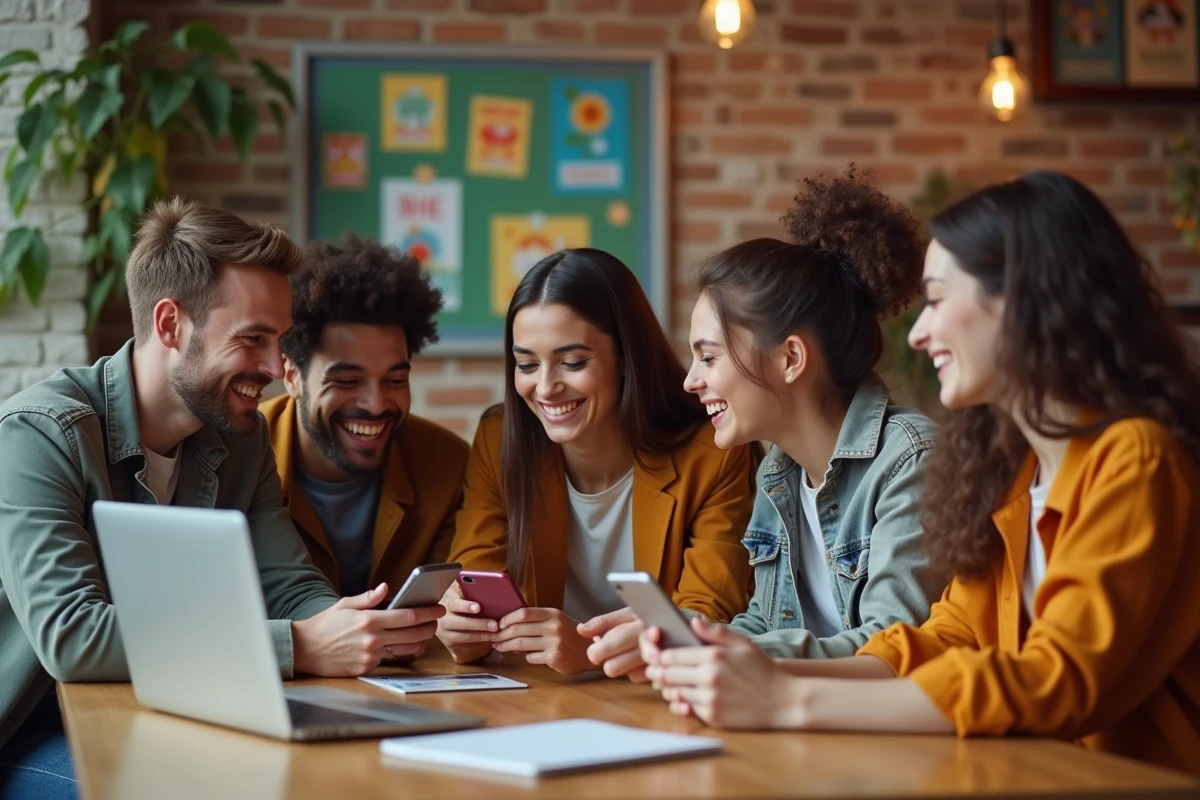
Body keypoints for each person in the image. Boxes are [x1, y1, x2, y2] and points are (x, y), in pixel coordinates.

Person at [641, 171, 1200, 776]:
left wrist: (788, 699)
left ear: (1024, 303)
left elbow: (1053, 678)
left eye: (937, 299)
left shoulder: (1136, 460)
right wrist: (749, 664)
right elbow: (945, 636)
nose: (918, 331)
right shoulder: (1009, 472)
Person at [0, 199, 443, 798]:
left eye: (280, 340)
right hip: (31, 727)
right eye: (253, 339)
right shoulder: (39, 435)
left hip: (168, 710)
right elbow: (73, 636)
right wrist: (301, 644)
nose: (272, 367)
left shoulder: (241, 438)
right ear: (169, 324)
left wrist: (359, 623)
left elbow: (288, 582)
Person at [663, 168, 942, 662]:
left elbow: (893, 646)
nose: (691, 381)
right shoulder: (779, 471)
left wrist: (727, 653)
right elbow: (765, 622)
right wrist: (680, 637)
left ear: (791, 359)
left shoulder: (909, 460)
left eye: (708, 357)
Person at [438, 248, 756, 676]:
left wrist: (590, 652)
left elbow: (705, 615)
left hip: (661, 699)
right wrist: (462, 625)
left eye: (572, 362)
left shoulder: (714, 449)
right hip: (539, 697)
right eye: (526, 364)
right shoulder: (499, 440)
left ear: (625, 356)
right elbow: (477, 581)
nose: (546, 388)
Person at [263, 235, 469, 605]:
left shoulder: (450, 466)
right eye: (346, 381)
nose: (375, 405)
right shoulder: (238, 456)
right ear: (292, 376)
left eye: (395, 380)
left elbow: (452, 608)